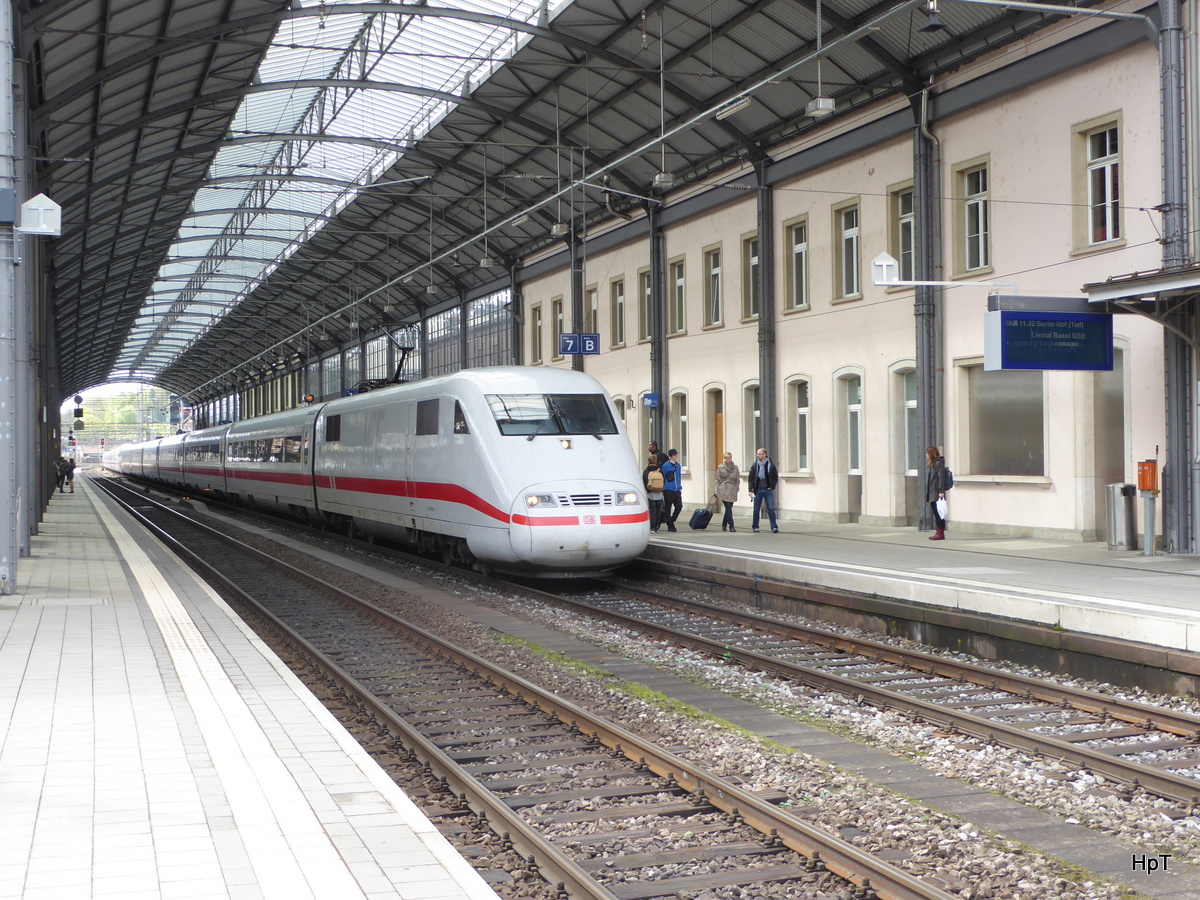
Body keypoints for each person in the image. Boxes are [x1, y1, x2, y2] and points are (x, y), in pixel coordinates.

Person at [747, 447, 779, 533]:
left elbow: (775, 477)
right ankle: (755, 526)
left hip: (768, 490)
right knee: (756, 509)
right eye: (757, 454)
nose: (758, 456)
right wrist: (750, 490)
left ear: (765, 455)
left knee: (771, 508)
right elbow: (750, 478)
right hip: (757, 490)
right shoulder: (755, 465)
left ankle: (774, 527)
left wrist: (772, 486)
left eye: (760, 454)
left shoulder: (770, 465)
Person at [926, 445, 948, 540]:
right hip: (932, 492)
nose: (926, 455)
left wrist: (941, 491)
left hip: (937, 492)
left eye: (927, 453)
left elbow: (941, 478)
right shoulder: (933, 464)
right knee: (936, 512)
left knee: (939, 513)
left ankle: (940, 533)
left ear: (931, 454)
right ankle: (938, 532)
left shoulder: (938, 463)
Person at [715, 451, 739, 532]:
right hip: (724, 489)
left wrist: (736, 488)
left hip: (732, 490)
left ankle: (724, 524)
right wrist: (716, 490)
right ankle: (731, 525)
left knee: (729, 508)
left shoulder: (735, 468)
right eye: (725, 458)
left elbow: (737, 480)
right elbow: (717, 480)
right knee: (728, 507)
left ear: (731, 458)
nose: (727, 460)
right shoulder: (720, 467)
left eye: (728, 458)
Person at [660, 449, 683, 532]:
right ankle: (670, 525)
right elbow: (663, 477)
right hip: (668, 489)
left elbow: (679, 477)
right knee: (668, 508)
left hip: (677, 489)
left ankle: (671, 520)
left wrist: (679, 487)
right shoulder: (665, 466)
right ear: (670, 456)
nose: (676, 456)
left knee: (679, 506)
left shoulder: (678, 465)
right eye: (674, 455)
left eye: (676, 454)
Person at [643, 456, 665, 533]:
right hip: (659, 494)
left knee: (652, 511)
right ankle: (657, 526)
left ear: (649, 462)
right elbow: (664, 481)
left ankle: (652, 526)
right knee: (658, 511)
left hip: (650, 494)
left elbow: (645, 482)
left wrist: (648, 490)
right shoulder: (660, 471)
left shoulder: (646, 471)